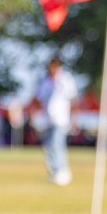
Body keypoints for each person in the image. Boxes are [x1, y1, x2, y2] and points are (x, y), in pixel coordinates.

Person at [34, 56, 78, 186]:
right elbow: (38, 99)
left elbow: (73, 99)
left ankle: (62, 171)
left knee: (57, 144)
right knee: (49, 146)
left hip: (61, 119)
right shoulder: (45, 81)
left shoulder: (66, 79)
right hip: (47, 119)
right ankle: (54, 171)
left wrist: (74, 119)